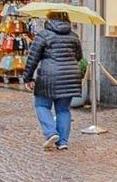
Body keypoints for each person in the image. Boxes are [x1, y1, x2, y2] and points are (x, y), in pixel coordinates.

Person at [24, 11, 84, 150]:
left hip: (48, 76)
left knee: (41, 105)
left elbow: (33, 59)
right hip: (70, 76)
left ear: (49, 19)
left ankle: (51, 132)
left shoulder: (43, 36)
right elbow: (79, 56)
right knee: (63, 109)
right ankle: (63, 141)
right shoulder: (74, 36)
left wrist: (27, 78)